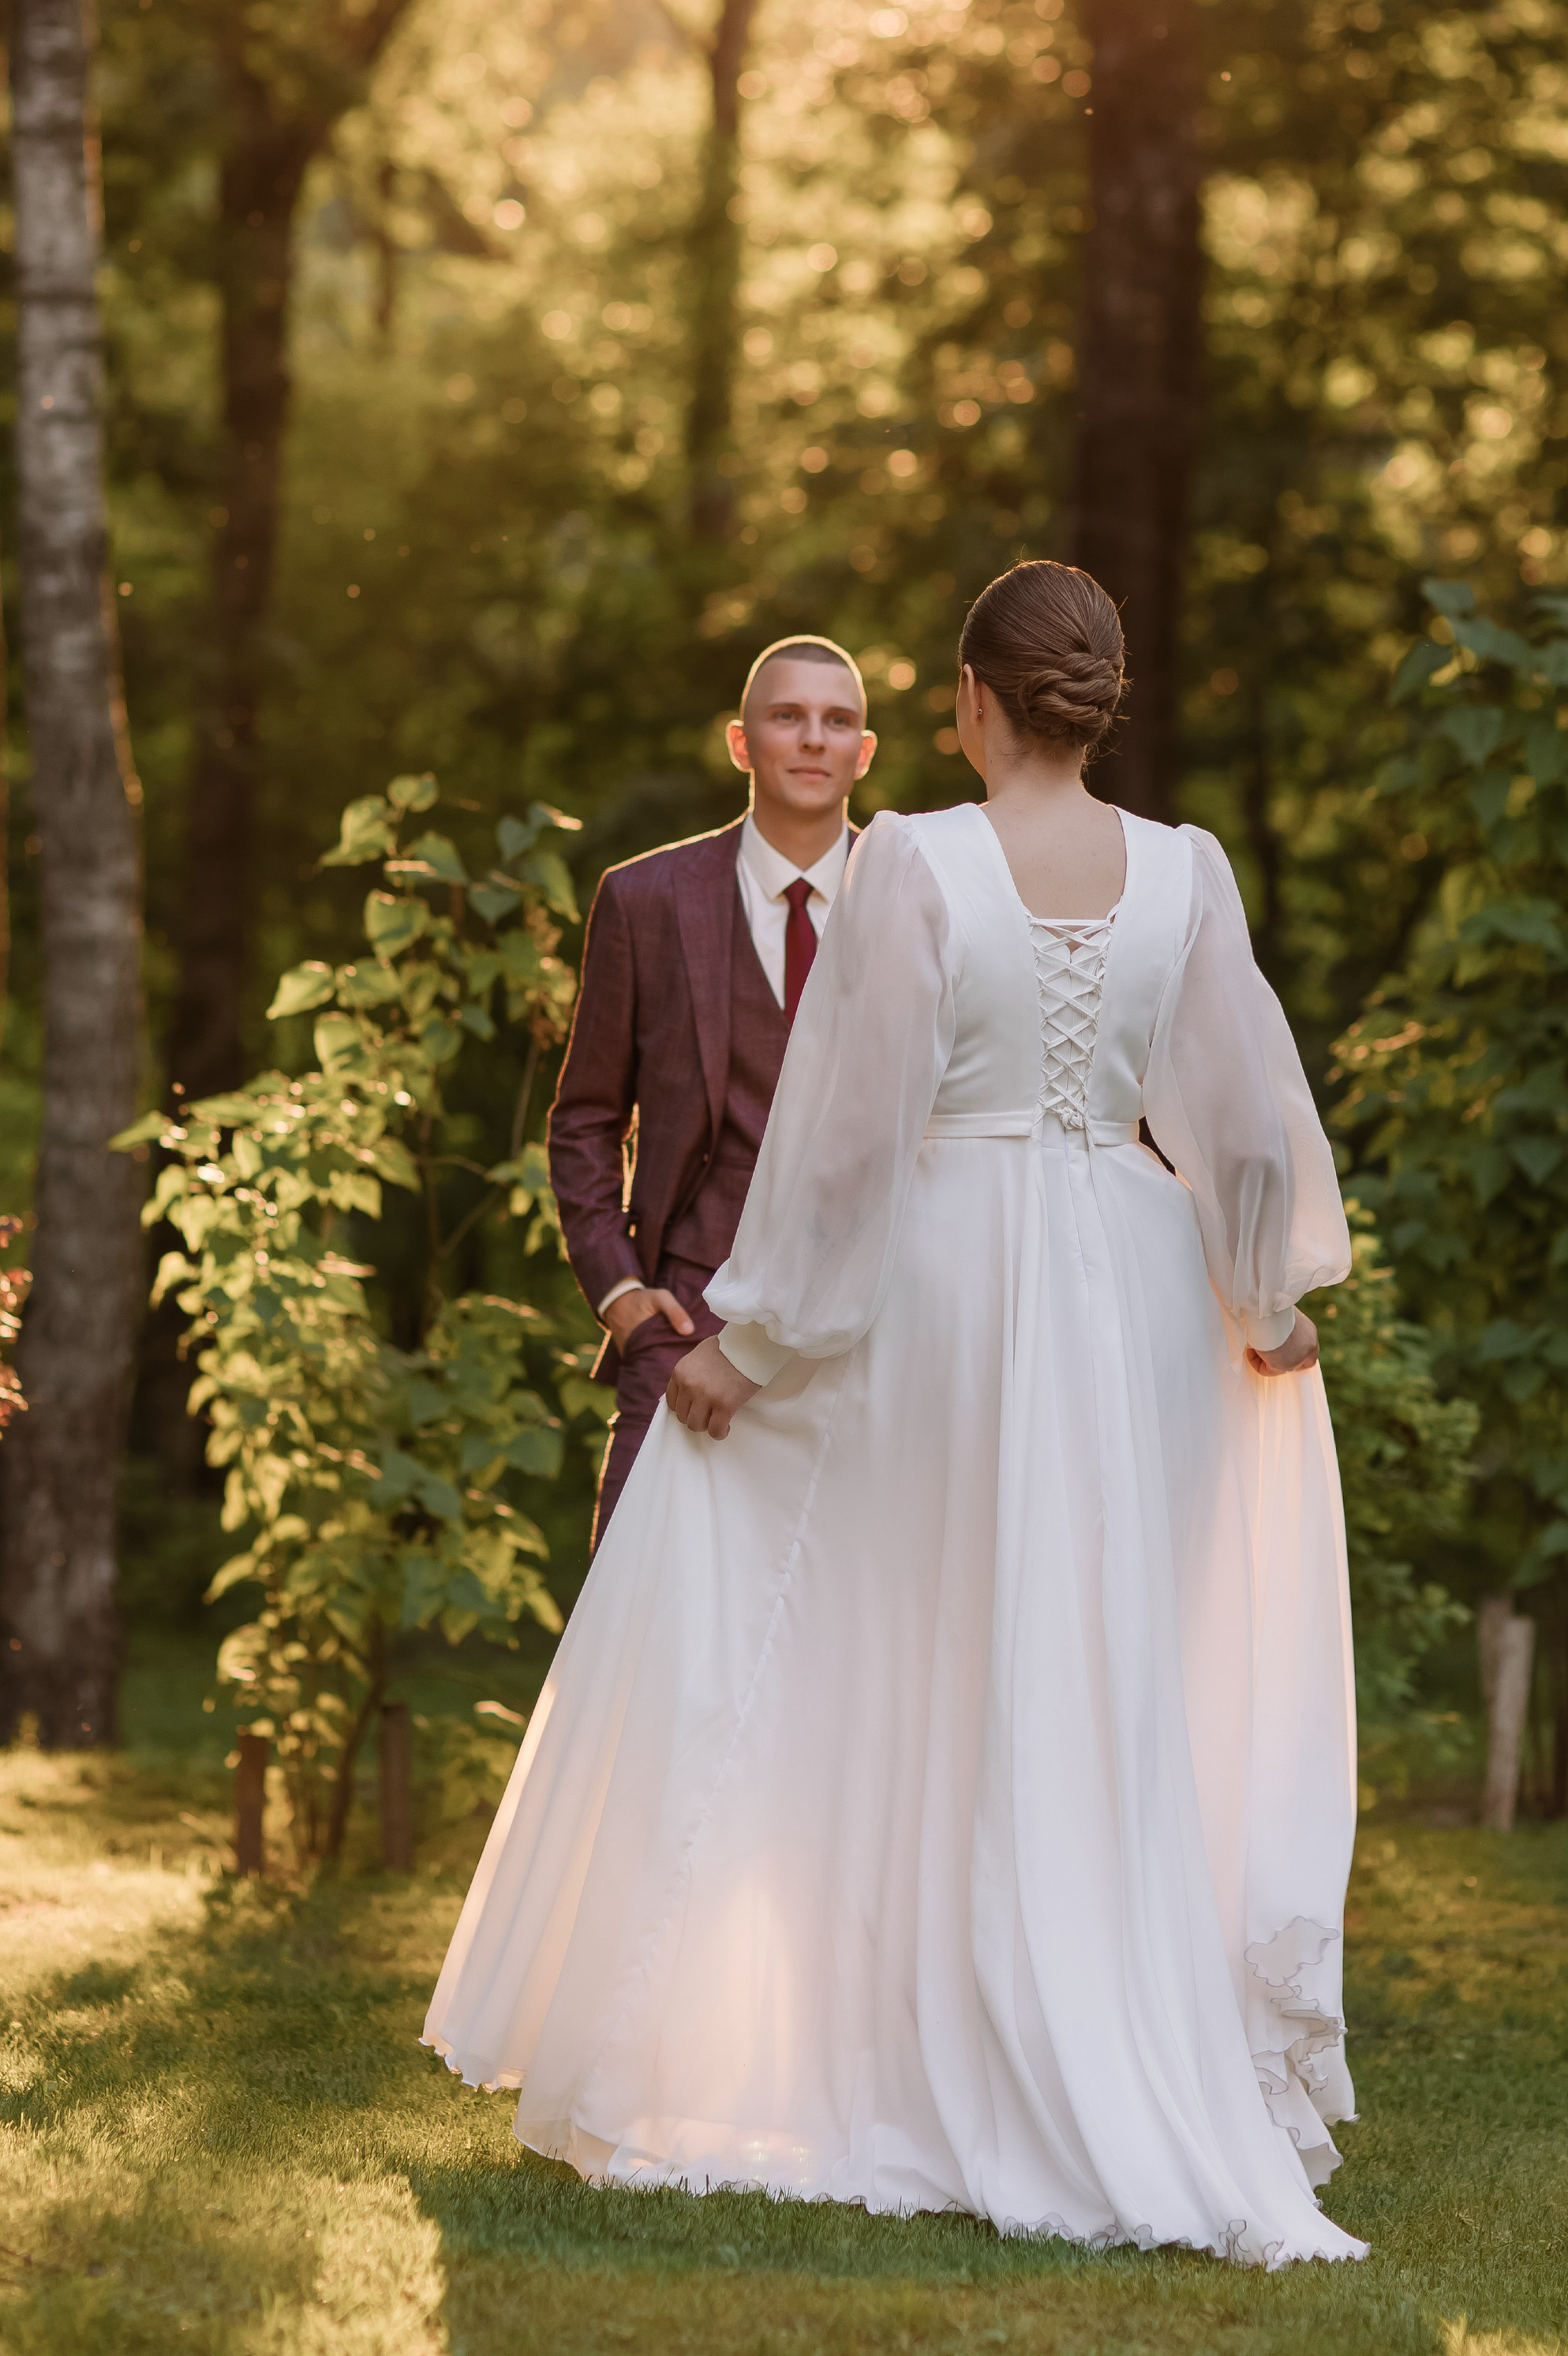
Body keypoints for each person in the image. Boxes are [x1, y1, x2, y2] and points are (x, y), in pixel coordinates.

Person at [425, 562, 1365, 2268]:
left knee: (915, 1657)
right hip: (1130, 1285)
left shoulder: (914, 861)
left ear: (967, 702)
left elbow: (850, 1137)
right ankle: (1074, 2034)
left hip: (950, 1281)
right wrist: (1262, 1298)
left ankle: (926, 2054)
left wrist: (757, 1341)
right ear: (1090, 701)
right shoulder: (1187, 869)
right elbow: (1240, 1118)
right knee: (1092, 1656)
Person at [547, 635, 878, 1546]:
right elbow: (585, 1118)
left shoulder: (916, 902)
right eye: (787, 716)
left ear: (862, 752)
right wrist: (620, 1293)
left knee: (836, 1612)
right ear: (742, 742)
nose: (812, 739)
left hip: (870, 1328)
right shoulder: (645, 898)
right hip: (686, 1318)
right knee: (636, 1598)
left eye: (836, 721)